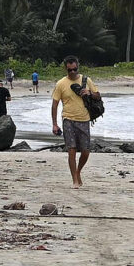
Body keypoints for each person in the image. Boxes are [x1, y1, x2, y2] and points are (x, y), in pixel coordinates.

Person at [50, 57, 99, 187]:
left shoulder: (86, 80)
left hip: (84, 119)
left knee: (85, 151)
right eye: (69, 70)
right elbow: (54, 104)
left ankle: (78, 171)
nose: (72, 72)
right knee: (71, 150)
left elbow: (98, 96)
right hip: (68, 119)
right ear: (65, 68)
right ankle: (75, 180)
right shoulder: (61, 84)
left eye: (74, 69)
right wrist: (55, 124)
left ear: (78, 67)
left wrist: (89, 92)